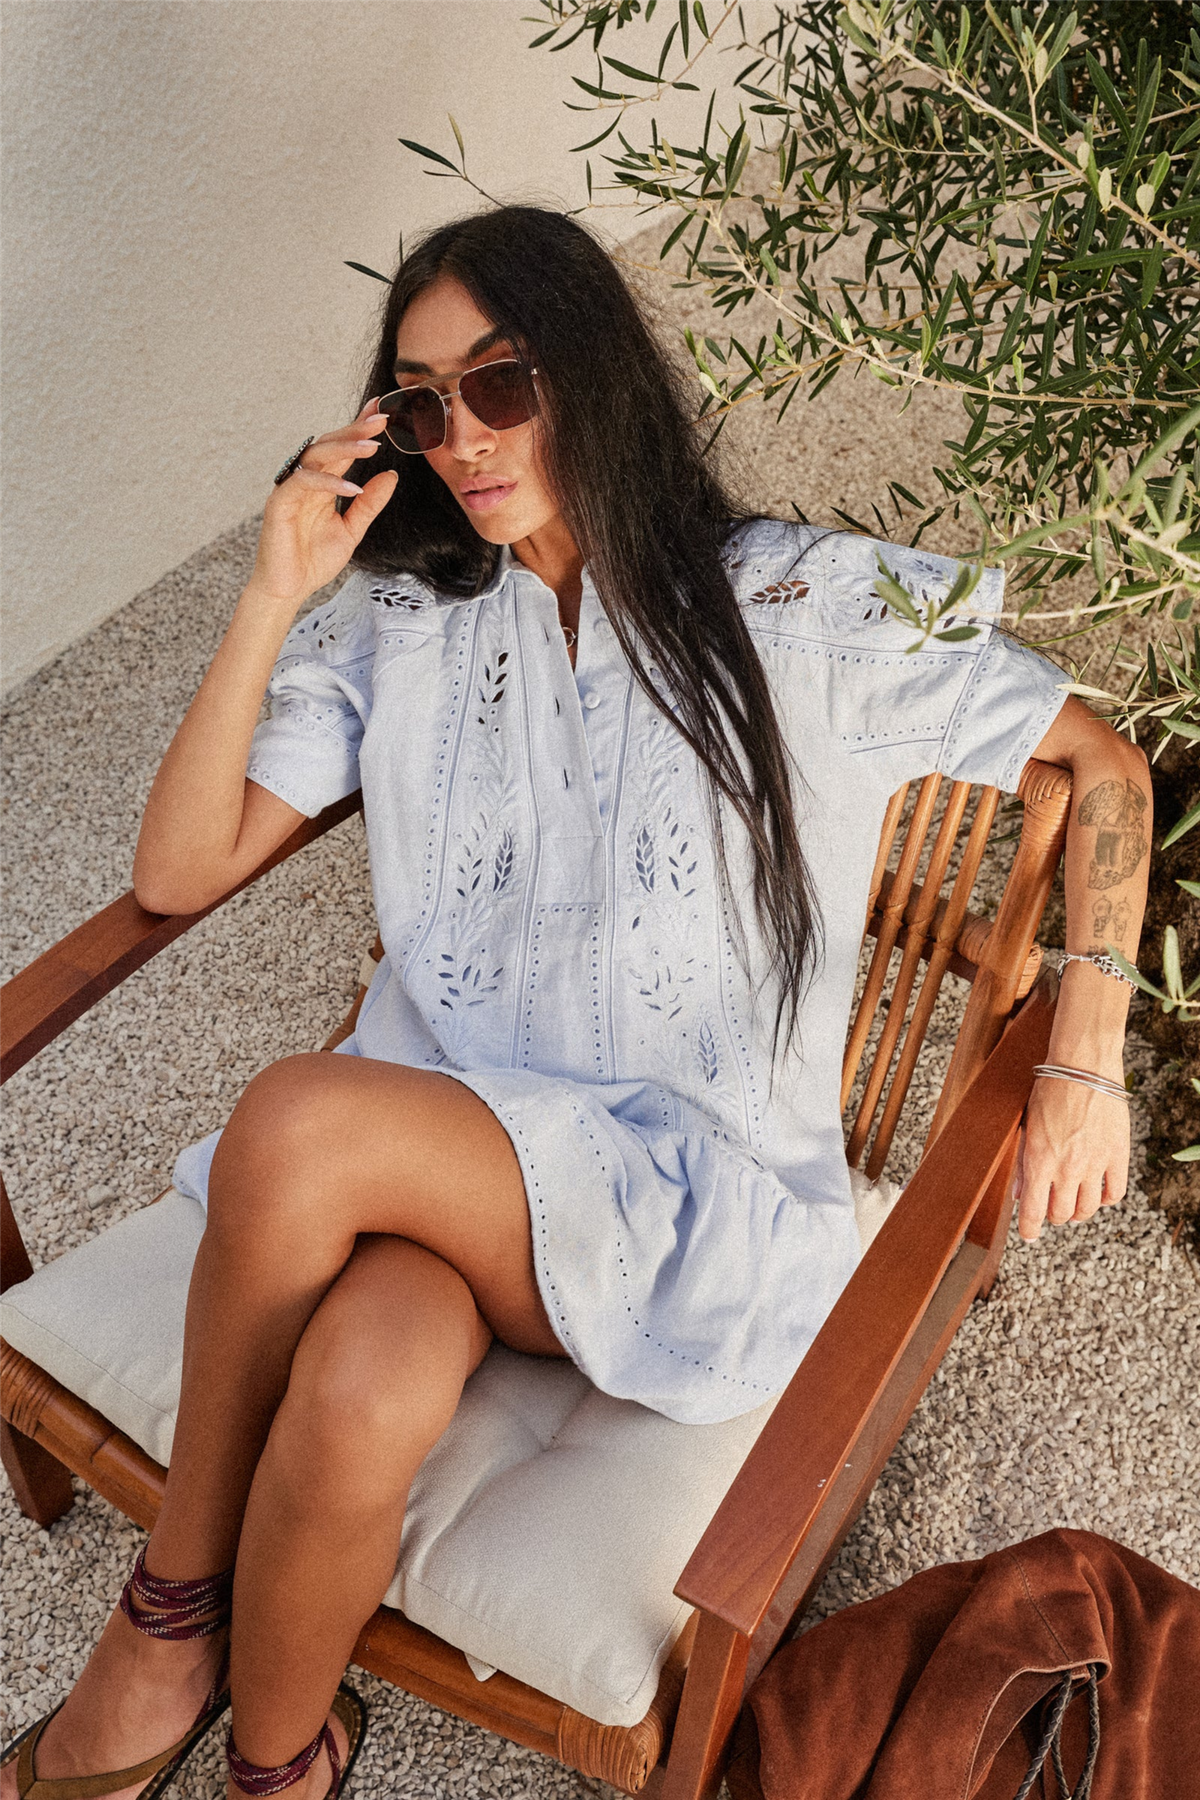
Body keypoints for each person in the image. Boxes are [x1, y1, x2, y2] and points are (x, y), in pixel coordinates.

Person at [0, 205, 1151, 1800]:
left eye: (502, 383)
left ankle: (161, 1622)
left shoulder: (802, 603)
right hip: (445, 1164)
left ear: (592, 373)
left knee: (296, 1118)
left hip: (678, 1205)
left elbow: (1102, 764)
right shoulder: (404, 618)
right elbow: (181, 867)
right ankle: (285, 1760)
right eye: (421, 405)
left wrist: (1086, 1052)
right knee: (360, 1387)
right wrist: (268, 592)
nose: (463, 438)